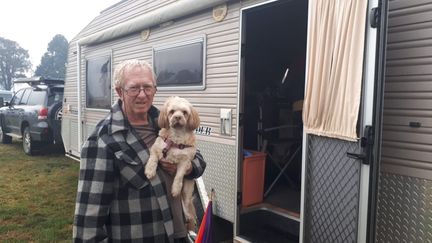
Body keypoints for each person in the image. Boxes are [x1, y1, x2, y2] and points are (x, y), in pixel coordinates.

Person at [73, 59, 206, 242]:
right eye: (134, 88)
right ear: (119, 91)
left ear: (155, 91)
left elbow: (198, 159)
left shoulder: (163, 122)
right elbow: (88, 218)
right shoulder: (103, 139)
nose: (142, 95)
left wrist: (188, 168)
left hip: (178, 235)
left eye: (147, 87)